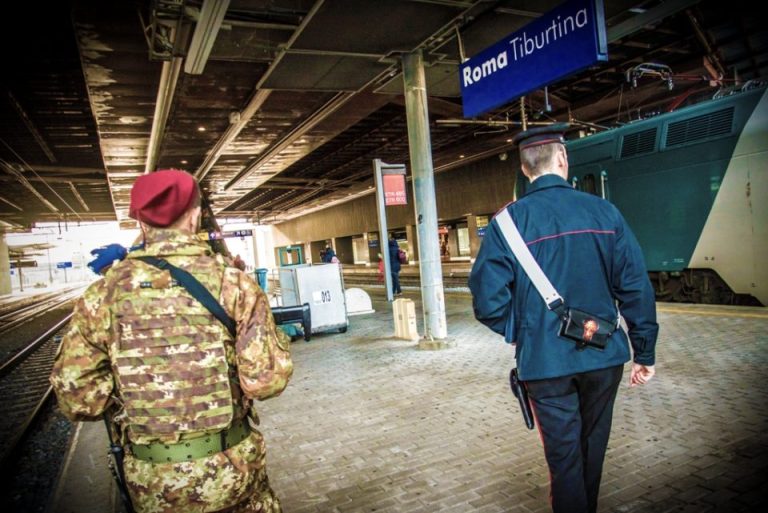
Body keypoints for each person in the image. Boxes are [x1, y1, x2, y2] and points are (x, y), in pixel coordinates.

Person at [50, 169, 293, 513]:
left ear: (141, 223)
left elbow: (79, 401)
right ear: (194, 216)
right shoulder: (234, 284)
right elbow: (266, 381)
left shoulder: (102, 295)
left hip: (151, 482)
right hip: (233, 473)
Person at [468, 124, 658, 513]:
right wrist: (645, 352)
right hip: (603, 356)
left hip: (545, 365)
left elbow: (487, 302)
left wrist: (522, 330)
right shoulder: (605, 212)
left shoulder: (506, 224)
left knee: (564, 460)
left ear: (524, 169)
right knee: (592, 449)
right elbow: (636, 287)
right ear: (563, 159)